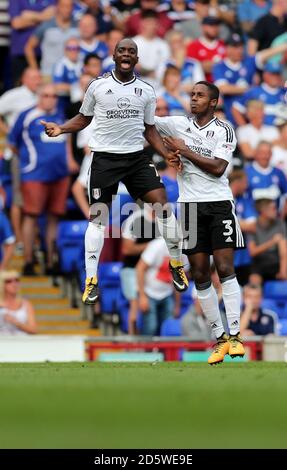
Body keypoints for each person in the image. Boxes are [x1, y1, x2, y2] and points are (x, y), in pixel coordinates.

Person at [41, 38, 188, 305]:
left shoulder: (146, 90)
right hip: (105, 160)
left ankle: (176, 263)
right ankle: (91, 279)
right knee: (98, 219)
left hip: (135, 158)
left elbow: (150, 128)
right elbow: (84, 118)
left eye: (131, 51)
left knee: (163, 207)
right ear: (114, 55)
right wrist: (61, 128)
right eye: (122, 50)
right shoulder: (97, 86)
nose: (126, 54)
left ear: (137, 58)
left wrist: (165, 152)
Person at [155, 81, 245, 365]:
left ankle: (236, 335)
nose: (194, 99)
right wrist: (166, 152)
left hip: (219, 204)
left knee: (225, 267)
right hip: (190, 206)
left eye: (200, 95)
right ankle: (219, 339)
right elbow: (147, 123)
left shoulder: (224, 129)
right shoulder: (178, 124)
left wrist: (183, 150)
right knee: (199, 273)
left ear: (214, 101)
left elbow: (219, 168)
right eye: (192, 94)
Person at [8, 84, 71, 276]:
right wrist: (31, 162)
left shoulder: (60, 115)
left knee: (54, 217)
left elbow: (66, 139)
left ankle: (51, 261)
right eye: (46, 95)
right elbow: (13, 143)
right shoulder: (26, 116)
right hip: (34, 174)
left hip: (60, 175)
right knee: (31, 216)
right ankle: (28, 261)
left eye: (53, 96)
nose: (50, 99)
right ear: (38, 96)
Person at [248, 198, 287, 283]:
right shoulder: (253, 226)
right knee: (254, 282)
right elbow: (252, 252)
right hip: (259, 264)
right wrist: (272, 242)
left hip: (276, 263)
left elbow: (284, 252)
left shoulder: (280, 224)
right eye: (273, 208)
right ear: (263, 211)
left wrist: (283, 271)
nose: (276, 211)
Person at [0, 270, 37, 335]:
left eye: (17, 280)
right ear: (2, 284)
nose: (14, 284)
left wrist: (15, 322)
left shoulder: (26, 304)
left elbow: (34, 330)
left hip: (21, 342)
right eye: (9, 281)